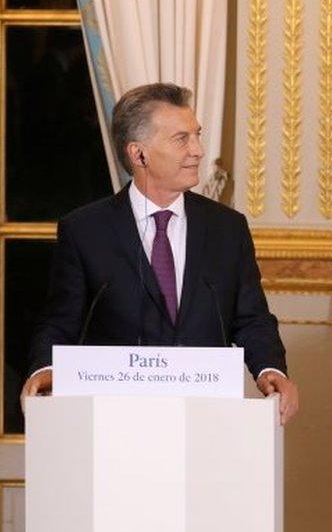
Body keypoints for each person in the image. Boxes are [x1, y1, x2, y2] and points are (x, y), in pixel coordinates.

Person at [21, 83, 299, 424]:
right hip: (115, 423)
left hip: (208, 421)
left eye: (197, 135)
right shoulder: (85, 231)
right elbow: (60, 321)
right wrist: (45, 370)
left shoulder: (228, 228)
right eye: (182, 139)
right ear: (139, 154)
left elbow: (251, 318)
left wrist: (270, 369)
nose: (197, 150)